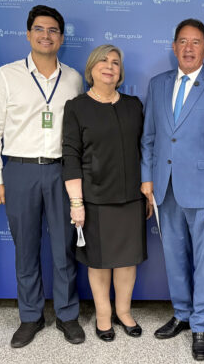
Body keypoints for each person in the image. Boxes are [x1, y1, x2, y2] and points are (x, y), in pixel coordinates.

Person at [0, 5, 84, 348]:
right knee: (25, 248)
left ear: (62, 38)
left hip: (61, 171)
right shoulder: (7, 76)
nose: (46, 35)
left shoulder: (73, 79)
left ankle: (67, 315)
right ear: (28, 35)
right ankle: (30, 316)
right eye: (39, 29)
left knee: (64, 248)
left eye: (53, 30)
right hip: (20, 170)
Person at [140, 18, 204, 361]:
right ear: (174, 46)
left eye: (196, 42)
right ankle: (181, 313)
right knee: (173, 257)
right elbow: (149, 137)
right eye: (182, 41)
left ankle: (201, 325)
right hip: (164, 188)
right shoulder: (158, 84)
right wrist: (147, 178)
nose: (188, 48)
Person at [62, 44, 148, 342]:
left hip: (131, 198)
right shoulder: (77, 107)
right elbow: (70, 156)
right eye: (103, 61)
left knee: (127, 260)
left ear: (120, 72)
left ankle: (123, 311)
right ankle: (103, 315)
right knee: (98, 261)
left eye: (115, 62)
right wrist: (76, 202)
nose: (109, 66)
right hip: (94, 199)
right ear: (91, 68)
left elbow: (144, 150)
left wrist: (147, 191)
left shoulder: (133, 106)